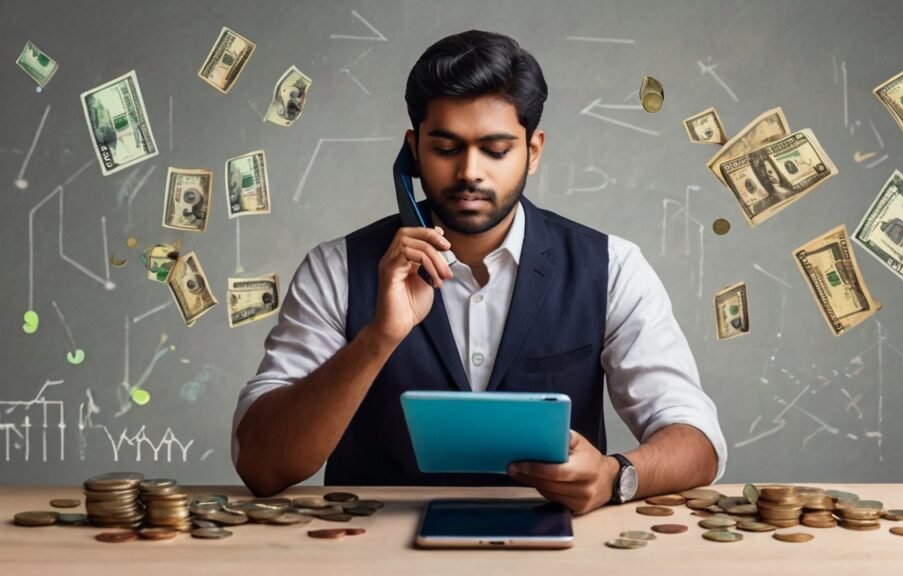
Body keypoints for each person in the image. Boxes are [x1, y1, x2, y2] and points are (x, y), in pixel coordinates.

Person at [232, 29, 726, 516]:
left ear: (533, 152)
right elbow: (261, 465)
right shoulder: (336, 268)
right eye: (446, 149)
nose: (470, 171)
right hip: (372, 550)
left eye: (496, 150)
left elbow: (698, 440)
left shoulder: (612, 267)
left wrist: (615, 476)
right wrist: (378, 338)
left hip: (557, 551)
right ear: (413, 151)